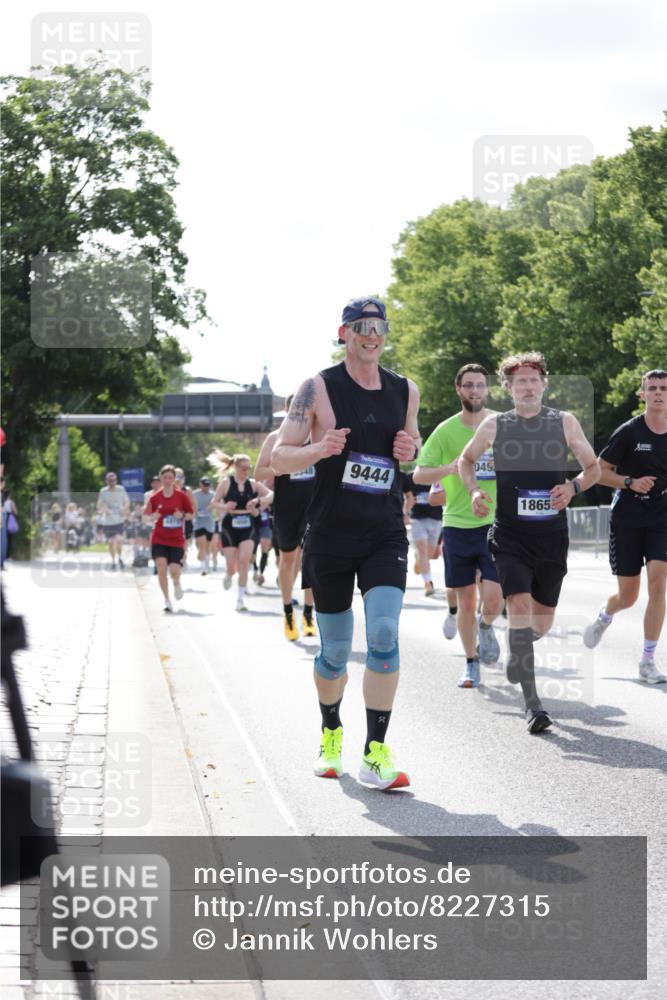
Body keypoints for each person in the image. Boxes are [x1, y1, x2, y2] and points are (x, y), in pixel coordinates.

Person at [272, 296, 420, 790]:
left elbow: (412, 443)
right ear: (344, 333)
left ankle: (376, 752)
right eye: (361, 326)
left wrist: (409, 448)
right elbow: (280, 459)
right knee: (335, 652)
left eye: (379, 326)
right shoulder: (316, 388)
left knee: (382, 634)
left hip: (383, 532)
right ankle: (330, 732)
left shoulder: (405, 388)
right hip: (331, 535)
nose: (371, 334)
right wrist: (319, 447)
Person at [459, 351, 600, 733]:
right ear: (508, 388)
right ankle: (533, 705)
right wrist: (473, 492)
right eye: (519, 380)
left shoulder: (564, 422)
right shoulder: (494, 427)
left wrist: (572, 487)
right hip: (510, 536)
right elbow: (465, 461)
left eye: (533, 379)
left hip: (552, 538)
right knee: (518, 607)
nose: (527, 386)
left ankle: (519, 647)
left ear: (543, 384)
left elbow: (594, 468)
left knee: (541, 623)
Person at [414, 364, 504, 687]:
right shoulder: (445, 431)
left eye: (481, 385)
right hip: (457, 524)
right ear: (458, 389)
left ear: (488, 389)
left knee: (494, 599)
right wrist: (449, 468)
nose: (475, 391)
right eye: (469, 385)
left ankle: (486, 624)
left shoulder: (502, 425)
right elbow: (418, 475)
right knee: (465, 599)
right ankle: (471, 662)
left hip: (497, 524)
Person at [583, 369, 667, 683]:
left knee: (659, 584)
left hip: (662, 516)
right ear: (643, 394)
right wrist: (630, 482)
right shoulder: (629, 431)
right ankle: (606, 615)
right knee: (628, 596)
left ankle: (647, 660)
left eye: (664, 388)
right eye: (653, 388)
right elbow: (598, 471)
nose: (658, 393)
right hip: (628, 517)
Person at [255, 402, 317, 639]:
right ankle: (289, 613)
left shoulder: (318, 435)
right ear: (287, 410)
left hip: (314, 507)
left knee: (311, 559)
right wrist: (283, 465)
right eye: (296, 410)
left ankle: (309, 614)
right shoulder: (275, 438)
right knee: (289, 559)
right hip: (287, 508)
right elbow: (258, 473)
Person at [210, 453, 273, 612]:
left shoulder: (253, 484)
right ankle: (229, 574)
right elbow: (214, 503)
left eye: (249, 468)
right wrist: (225, 507)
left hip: (248, 525)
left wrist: (257, 503)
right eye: (244, 468)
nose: (247, 471)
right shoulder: (226, 483)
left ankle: (240, 599)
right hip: (230, 525)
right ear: (236, 467)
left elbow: (272, 495)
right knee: (232, 565)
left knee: (244, 561)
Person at [143, 464, 194, 612]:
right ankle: (167, 600)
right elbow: (145, 517)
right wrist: (153, 517)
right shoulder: (155, 497)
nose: (167, 480)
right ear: (160, 478)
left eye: (170, 477)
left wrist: (182, 516)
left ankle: (176, 582)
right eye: (165, 477)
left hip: (176, 539)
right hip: (159, 538)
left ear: (174, 479)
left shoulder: (181, 496)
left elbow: (191, 514)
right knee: (161, 567)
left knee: (174, 570)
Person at [401, 470, 443, 596]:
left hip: (436, 519)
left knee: (429, 554)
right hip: (417, 519)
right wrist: (406, 513)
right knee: (423, 549)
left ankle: (418, 558)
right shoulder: (412, 476)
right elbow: (404, 496)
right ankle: (427, 583)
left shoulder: (439, 475)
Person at [96, 472, 130, 570]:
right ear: (107, 481)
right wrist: (104, 509)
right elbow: (99, 505)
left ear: (116, 481)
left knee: (119, 540)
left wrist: (123, 509)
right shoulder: (103, 491)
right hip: (108, 522)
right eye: (110, 481)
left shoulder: (121, 489)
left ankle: (120, 557)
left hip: (119, 520)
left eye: (114, 480)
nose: (112, 482)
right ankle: (113, 561)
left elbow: (127, 502)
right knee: (111, 542)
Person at [192, 476, 216, 574]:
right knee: (202, 543)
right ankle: (203, 567)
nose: (206, 487)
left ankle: (206, 563)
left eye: (207, 485)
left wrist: (211, 506)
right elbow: (190, 505)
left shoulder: (213, 495)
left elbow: (216, 504)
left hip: (209, 522)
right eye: (204, 485)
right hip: (198, 522)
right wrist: (195, 509)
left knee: (207, 545)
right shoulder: (194, 494)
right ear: (200, 485)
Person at [175, 468, 194, 564]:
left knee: (185, 541)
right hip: (172, 519)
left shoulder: (187, 490)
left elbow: (193, 506)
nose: (177, 479)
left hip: (185, 519)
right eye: (175, 476)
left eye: (180, 476)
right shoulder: (167, 489)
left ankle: (183, 556)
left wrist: (185, 515)